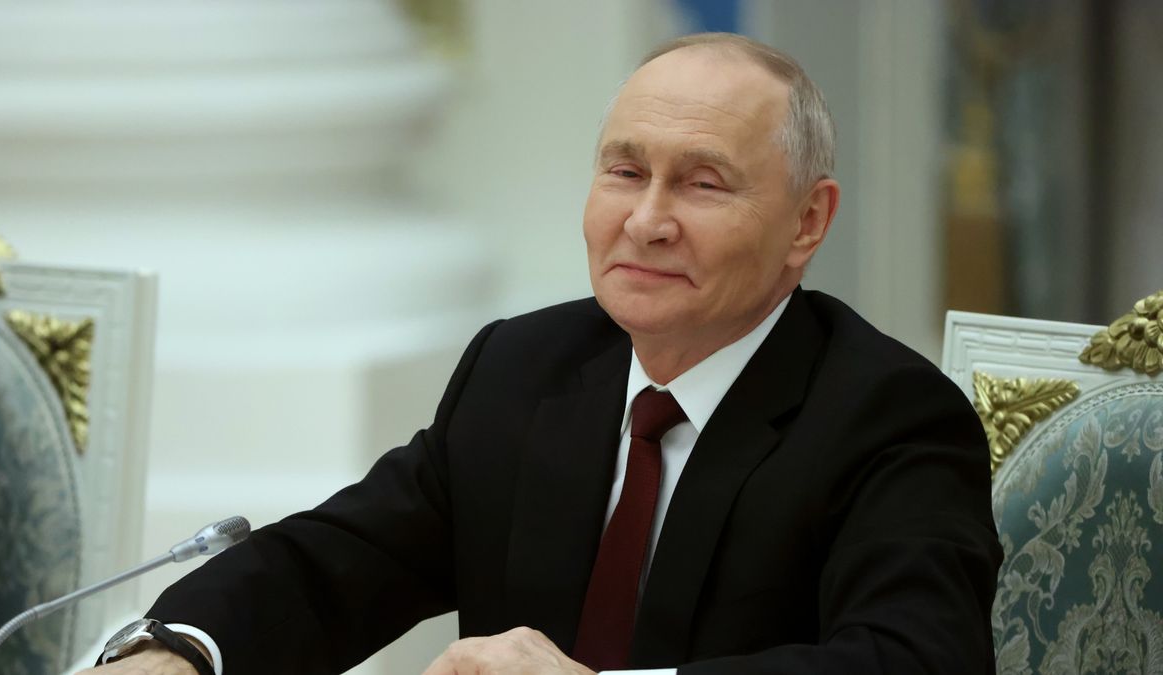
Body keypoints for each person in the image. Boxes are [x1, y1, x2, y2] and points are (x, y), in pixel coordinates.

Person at [83, 33, 1001, 674]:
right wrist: (182, 648)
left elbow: (916, 660)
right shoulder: (524, 367)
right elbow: (337, 561)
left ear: (808, 221)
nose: (647, 220)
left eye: (703, 183)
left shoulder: (891, 416)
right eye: (625, 172)